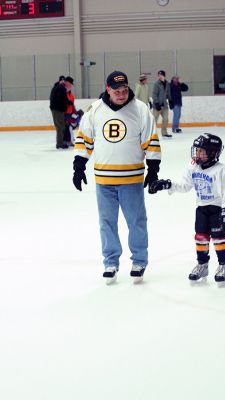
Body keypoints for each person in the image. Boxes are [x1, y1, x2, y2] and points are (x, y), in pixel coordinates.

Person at [72, 70, 161, 284]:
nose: (121, 95)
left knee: (136, 221)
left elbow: (151, 139)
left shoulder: (140, 109)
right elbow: (84, 139)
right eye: (117, 91)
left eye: (124, 90)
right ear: (107, 89)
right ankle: (110, 261)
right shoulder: (94, 110)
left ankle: (139, 259)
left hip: (132, 178)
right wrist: (79, 165)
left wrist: (153, 168)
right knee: (106, 222)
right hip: (104, 180)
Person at [149, 133, 225, 284]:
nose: (197, 154)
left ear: (213, 153)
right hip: (201, 209)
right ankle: (202, 265)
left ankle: (223, 266)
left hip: (217, 209)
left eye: (202, 151)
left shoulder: (223, 170)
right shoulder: (193, 166)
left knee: (219, 238)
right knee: (200, 238)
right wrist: (168, 184)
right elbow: (185, 186)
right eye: (197, 150)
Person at [49, 75, 70, 149]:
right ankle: (59, 143)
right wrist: (66, 103)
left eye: (64, 80)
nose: (63, 81)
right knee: (61, 126)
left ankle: (60, 142)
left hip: (55, 109)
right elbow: (62, 99)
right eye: (62, 80)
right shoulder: (61, 88)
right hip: (58, 110)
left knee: (59, 126)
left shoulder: (55, 87)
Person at [152, 70, 172, 138]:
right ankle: (151, 133)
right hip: (157, 105)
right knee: (154, 120)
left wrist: (170, 101)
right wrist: (156, 103)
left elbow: (169, 93)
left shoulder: (167, 84)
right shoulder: (156, 84)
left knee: (166, 119)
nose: (160, 76)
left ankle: (164, 133)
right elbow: (154, 94)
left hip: (165, 106)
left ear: (164, 75)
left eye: (161, 75)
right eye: (159, 75)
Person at [64, 76, 76, 146]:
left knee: (69, 127)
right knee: (67, 127)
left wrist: (75, 112)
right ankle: (67, 140)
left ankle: (69, 140)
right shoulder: (64, 93)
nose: (71, 86)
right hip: (64, 113)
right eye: (70, 84)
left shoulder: (71, 95)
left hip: (69, 113)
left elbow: (72, 105)